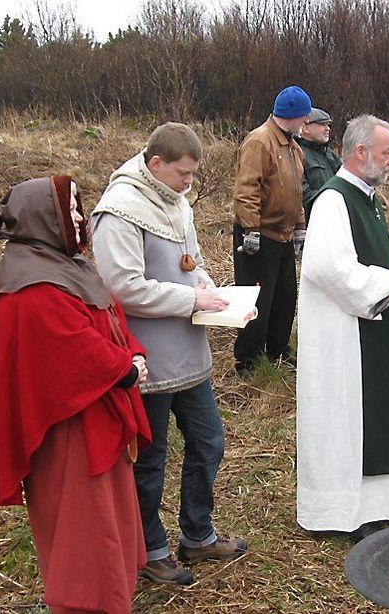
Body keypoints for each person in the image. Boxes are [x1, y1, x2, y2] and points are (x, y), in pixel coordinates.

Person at [0, 176, 152, 614]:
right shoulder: (28, 286)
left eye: (78, 208)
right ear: (44, 218)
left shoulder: (67, 266)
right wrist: (123, 369)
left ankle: (112, 598)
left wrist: (131, 355)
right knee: (86, 530)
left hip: (99, 416)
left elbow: (109, 318)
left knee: (106, 525)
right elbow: (69, 349)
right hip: (68, 431)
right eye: (72, 210)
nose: (79, 219)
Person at [90, 123, 247, 586]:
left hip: (189, 352)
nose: (189, 184)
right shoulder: (119, 211)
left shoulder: (175, 200)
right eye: (183, 174)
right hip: (148, 360)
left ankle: (197, 535)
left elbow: (189, 264)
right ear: (155, 164)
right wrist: (192, 300)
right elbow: (123, 288)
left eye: (193, 175)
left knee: (208, 442)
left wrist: (214, 292)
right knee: (151, 458)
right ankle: (150, 550)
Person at [296, 114, 389, 540]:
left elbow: (368, 252)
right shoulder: (334, 200)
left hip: (373, 324)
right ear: (361, 152)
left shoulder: (366, 198)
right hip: (343, 335)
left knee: (378, 411)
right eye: (386, 154)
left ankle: (381, 503)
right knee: (348, 418)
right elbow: (328, 267)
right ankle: (343, 511)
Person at [233, 85, 312, 375]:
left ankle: (277, 351)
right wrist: (250, 229)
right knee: (256, 301)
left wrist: (300, 229)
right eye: (304, 117)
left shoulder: (294, 148)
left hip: (284, 236)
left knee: (284, 298)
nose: (306, 123)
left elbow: (296, 194)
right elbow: (246, 189)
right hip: (260, 236)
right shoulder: (259, 142)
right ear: (292, 115)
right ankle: (248, 361)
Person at [296, 107, 342, 216]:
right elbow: (302, 193)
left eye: (328, 125)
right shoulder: (296, 153)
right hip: (313, 220)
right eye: (322, 125)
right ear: (305, 128)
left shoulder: (330, 154)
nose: (327, 129)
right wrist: (332, 204)